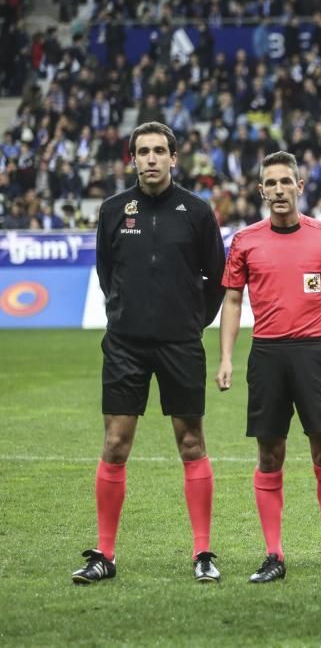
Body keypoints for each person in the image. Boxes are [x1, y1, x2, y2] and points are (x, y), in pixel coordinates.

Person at [73, 122, 226, 584]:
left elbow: (216, 280)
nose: (152, 158)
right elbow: (106, 272)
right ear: (132, 158)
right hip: (125, 345)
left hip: (181, 344)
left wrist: (188, 323)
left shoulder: (196, 212)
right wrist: (128, 313)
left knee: (191, 443)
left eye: (161, 150)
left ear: (175, 158)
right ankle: (105, 555)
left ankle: (202, 554)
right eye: (144, 151)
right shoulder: (114, 210)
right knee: (116, 443)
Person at [215, 151, 321, 584]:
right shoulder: (245, 241)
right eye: (270, 183)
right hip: (267, 354)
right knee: (269, 453)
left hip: (314, 352)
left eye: (285, 182)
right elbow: (234, 301)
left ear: (300, 186)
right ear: (261, 191)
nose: (279, 190)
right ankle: (273, 555)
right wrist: (225, 357)